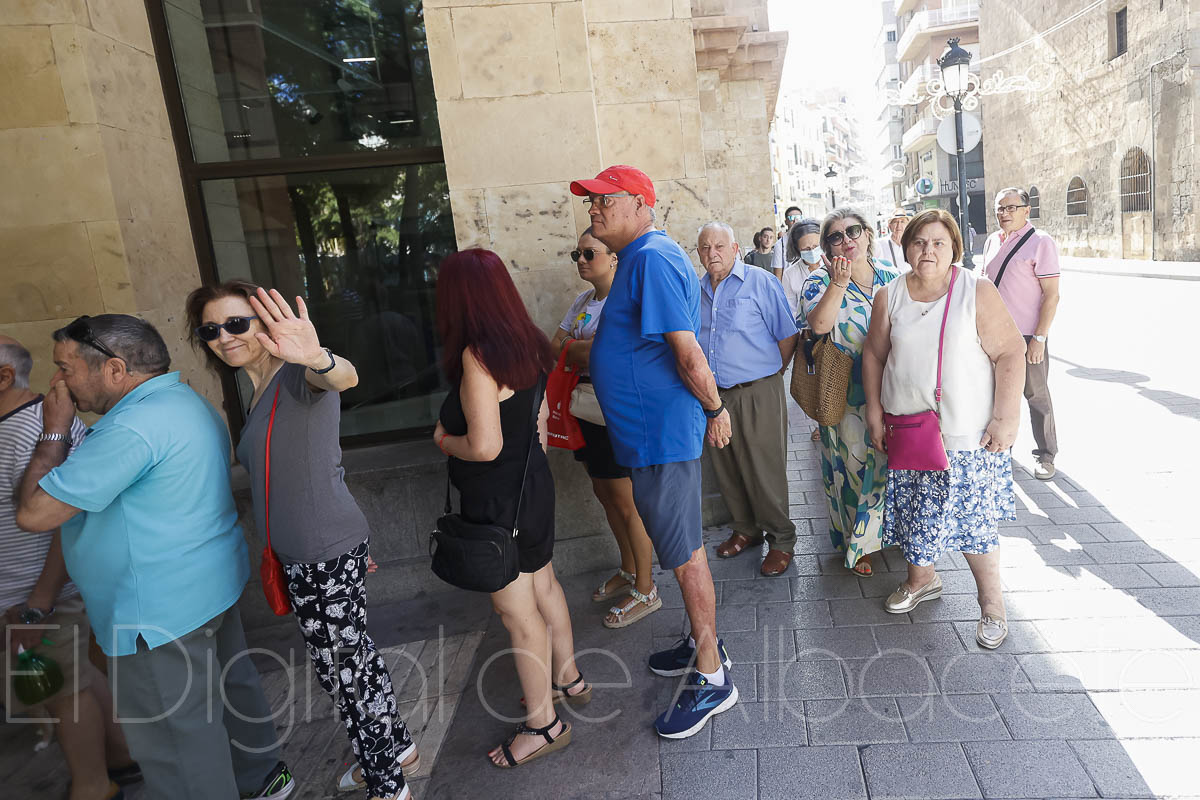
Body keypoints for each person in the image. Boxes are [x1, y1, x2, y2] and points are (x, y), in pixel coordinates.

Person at [14, 315, 294, 800]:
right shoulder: (186, 401)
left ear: (115, 370)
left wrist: (55, 433)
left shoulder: (132, 429)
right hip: (207, 590)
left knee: (178, 745)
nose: (57, 383)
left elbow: (35, 514)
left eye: (65, 368)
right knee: (231, 698)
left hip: (154, 615)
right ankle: (264, 780)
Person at [184, 282, 417, 800]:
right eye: (211, 329)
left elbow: (342, 378)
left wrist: (317, 355)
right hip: (316, 549)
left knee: (346, 676)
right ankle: (396, 748)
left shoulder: (295, 376)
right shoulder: (259, 386)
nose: (225, 336)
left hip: (320, 555)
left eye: (237, 322)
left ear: (266, 322)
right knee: (349, 667)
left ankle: (388, 785)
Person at [570, 165, 736, 740]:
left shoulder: (653, 258)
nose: (593, 210)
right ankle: (699, 640)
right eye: (590, 202)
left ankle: (713, 678)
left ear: (642, 204)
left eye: (603, 200)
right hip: (648, 438)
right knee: (684, 547)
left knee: (685, 556)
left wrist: (716, 410)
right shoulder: (640, 259)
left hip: (662, 437)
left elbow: (687, 353)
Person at [434, 249, 584, 767]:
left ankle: (544, 724)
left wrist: (443, 439)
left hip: (498, 500)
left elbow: (484, 446)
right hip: (531, 486)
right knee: (544, 584)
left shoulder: (478, 357)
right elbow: (538, 426)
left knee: (517, 614)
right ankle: (568, 677)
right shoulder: (530, 343)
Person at [863, 209, 1025, 649]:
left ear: (954, 246)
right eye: (918, 242)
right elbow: (875, 355)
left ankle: (992, 605)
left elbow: (1011, 352)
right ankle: (923, 580)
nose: (927, 250)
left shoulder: (977, 290)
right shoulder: (890, 295)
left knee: (974, 523)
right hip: (912, 432)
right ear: (905, 246)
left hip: (966, 437)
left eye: (938, 242)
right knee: (917, 513)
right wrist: (875, 412)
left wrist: (1006, 417)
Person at [0, 337, 139, 800]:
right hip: (31, 594)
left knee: (59, 691)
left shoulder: (32, 429)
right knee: (76, 678)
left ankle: (93, 786)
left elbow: (68, 519)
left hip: (35, 596)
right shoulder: (19, 424)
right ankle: (121, 757)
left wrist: (37, 603)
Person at [551, 230, 661, 628]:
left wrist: (576, 349)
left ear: (614, 257)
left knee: (625, 497)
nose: (581, 259)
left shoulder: (624, 300)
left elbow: (603, 351)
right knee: (604, 491)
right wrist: (579, 349)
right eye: (576, 252)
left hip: (616, 408)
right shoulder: (583, 301)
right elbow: (557, 346)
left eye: (589, 252)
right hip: (585, 408)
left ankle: (647, 588)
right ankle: (630, 569)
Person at [800, 209, 901, 578]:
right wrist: (838, 284)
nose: (847, 240)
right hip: (846, 390)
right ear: (827, 247)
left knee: (893, 466)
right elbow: (820, 325)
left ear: (868, 235)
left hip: (895, 388)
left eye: (853, 231)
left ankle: (890, 532)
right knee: (853, 469)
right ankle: (856, 544)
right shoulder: (818, 281)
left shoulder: (893, 277)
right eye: (836, 236)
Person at [696, 223, 799, 577]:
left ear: (736, 247)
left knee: (764, 467)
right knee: (726, 466)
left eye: (719, 246)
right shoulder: (696, 291)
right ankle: (746, 529)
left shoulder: (760, 281)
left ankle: (782, 539)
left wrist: (771, 375)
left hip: (758, 390)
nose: (713, 253)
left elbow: (787, 336)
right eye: (705, 247)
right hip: (715, 398)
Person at [981, 187, 1062, 480]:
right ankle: (1003, 452)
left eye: (1011, 208)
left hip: (1027, 336)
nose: (1004, 213)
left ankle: (1046, 455)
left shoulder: (1041, 242)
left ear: (1026, 210)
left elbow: (1051, 296)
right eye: (1000, 208)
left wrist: (1039, 338)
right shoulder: (991, 241)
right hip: (992, 335)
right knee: (997, 395)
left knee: (1036, 395)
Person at [781, 217, 827, 442]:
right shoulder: (791, 274)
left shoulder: (835, 264)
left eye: (815, 246)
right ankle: (822, 423)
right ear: (797, 250)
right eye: (806, 249)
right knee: (817, 384)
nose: (811, 251)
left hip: (838, 334)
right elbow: (789, 312)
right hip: (810, 337)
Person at [770, 206, 805, 280]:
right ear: (786, 221)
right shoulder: (780, 245)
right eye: (791, 218)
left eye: (798, 217)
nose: (795, 221)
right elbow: (778, 275)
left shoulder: (808, 240)